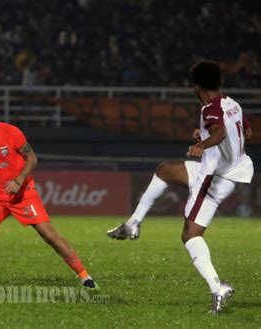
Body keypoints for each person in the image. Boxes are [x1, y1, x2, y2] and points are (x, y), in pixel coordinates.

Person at [107, 60, 254, 313]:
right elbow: (247, 134)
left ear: (196, 87)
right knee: (164, 170)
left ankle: (217, 287)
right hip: (228, 170)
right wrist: (205, 135)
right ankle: (132, 224)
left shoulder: (210, 108)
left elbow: (219, 133)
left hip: (215, 177)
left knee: (190, 235)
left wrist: (203, 144)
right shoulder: (232, 104)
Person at [0, 92, 98, 289]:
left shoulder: (11, 131)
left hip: (22, 194)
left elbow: (32, 158)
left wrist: (18, 179)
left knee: (50, 236)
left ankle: (85, 277)